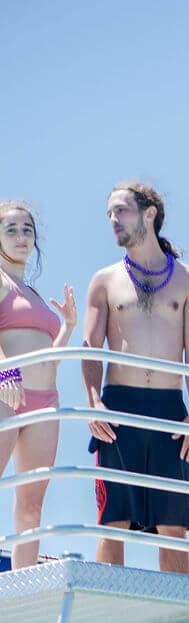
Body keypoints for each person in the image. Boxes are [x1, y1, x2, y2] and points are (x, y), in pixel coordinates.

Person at [82, 182, 189, 575]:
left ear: (150, 213)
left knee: (174, 524)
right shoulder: (104, 280)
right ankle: (110, 610)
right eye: (109, 215)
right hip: (119, 408)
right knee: (113, 520)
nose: (114, 221)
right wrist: (93, 403)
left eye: (121, 211)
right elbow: (89, 350)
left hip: (170, 410)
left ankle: (180, 616)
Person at [0, 201, 77, 568]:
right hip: (6, 394)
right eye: (11, 229)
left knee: (31, 507)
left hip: (46, 401)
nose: (20, 236)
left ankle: (20, 594)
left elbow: (50, 362)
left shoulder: (29, 291)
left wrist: (68, 328)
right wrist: (3, 370)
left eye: (27, 229)